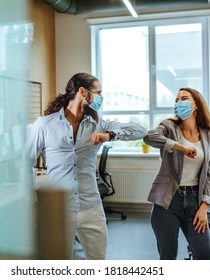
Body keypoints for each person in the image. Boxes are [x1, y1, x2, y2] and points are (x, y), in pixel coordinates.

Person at [28, 72, 146, 260]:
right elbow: (26, 162)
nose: (101, 97)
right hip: (59, 210)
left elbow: (140, 130)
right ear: (83, 92)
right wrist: (34, 201)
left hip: (91, 206)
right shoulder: (44, 124)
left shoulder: (98, 124)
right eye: (98, 92)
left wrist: (110, 135)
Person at [143, 87, 210, 260]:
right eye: (176, 100)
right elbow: (149, 137)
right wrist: (180, 147)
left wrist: (204, 207)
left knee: (205, 255)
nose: (178, 103)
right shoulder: (169, 127)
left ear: (196, 104)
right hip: (168, 201)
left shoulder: (208, 135)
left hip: (194, 202)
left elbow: (209, 173)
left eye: (183, 98)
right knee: (168, 257)